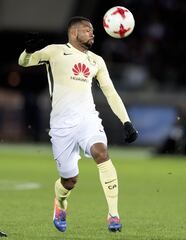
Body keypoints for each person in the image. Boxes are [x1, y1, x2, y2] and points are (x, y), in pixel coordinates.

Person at [18, 16, 138, 233]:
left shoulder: (96, 61)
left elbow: (110, 92)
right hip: (62, 125)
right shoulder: (54, 51)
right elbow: (23, 63)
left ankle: (113, 215)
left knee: (102, 153)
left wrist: (126, 121)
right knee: (69, 180)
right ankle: (60, 203)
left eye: (92, 30)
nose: (92, 33)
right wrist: (27, 51)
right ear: (74, 33)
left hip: (88, 119)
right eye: (87, 30)